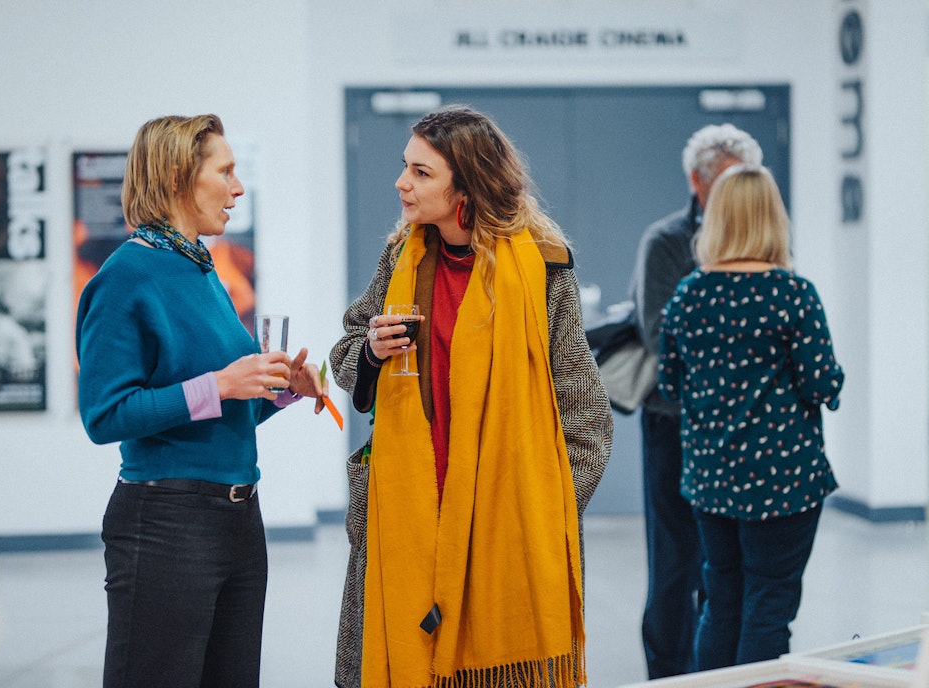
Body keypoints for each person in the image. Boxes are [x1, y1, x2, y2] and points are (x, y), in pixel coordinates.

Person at [329, 104, 614, 688]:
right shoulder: (402, 257)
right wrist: (371, 351)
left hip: (509, 527)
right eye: (405, 166)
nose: (401, 183)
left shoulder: (544, 266)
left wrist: (540, 507)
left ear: (468, 185)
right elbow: (345, 353)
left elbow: (585, 411)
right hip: (409, 515)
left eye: (421, 172)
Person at [75, 114, 327, 688]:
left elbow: (227, 408)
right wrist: (220, 384)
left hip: (239, 519)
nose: (238, 189)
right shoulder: (126, 275)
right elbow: (105, 415)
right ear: (176, 177)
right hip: (166, 522)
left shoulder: (201, 268)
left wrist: (285, 389)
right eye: (226, 172)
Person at [658, 163, 844, 670]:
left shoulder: (688, 295)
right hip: (783, 481)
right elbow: (822, 384)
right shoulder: (793, 294)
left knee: (721, 602)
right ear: (772, 218)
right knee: (769, 606)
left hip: (712, 480)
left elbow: (669, 384)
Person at [628, 123, 763, 679]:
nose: (739, 194)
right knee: (675, 563)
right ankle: (668, 676)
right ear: (697, 182)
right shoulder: (666, 242)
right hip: (675, 424)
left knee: (731, 567)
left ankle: (722, 673)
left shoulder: (765, 245)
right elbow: (660, 337)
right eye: (727, 181)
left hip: (743, 430)